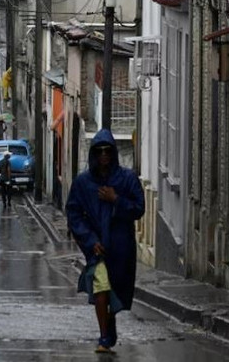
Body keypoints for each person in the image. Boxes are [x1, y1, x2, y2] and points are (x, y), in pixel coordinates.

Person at [65, 129, 145, 354]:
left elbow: (139, 208)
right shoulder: (83, 183)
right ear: (93, 154)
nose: (103, 156)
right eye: (99, 151)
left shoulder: (127, 179)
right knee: (101, 287)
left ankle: (110, 322)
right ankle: (103, 337)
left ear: (113, 153)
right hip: (97, 248)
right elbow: (74, 213)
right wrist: (90, 240)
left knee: (116, 291)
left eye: (107, 151)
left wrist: (116, 199)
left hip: (121, 247)